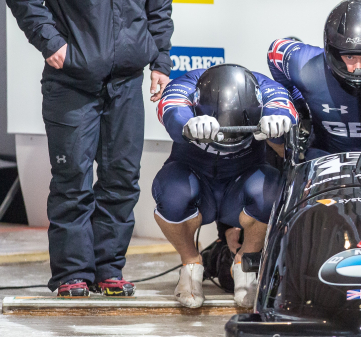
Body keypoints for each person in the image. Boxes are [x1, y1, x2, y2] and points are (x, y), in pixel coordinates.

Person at [6, 0, 173, 297]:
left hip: (127, 82)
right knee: (73, 180)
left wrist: (160, 57)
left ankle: (109, 270)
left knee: (121, 179)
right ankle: (72, 273)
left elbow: (158, 4)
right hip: (72, 81)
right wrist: (50, 41)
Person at [152, 64, 296, 308]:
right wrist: (186, 123)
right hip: (196, 180)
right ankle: (191, 264)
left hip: (240, 184)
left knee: (272, 189)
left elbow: (284, 105)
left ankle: (245, 264)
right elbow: (170, 110)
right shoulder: (185, 85)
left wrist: (280, 122)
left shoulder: (266, 88)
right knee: (171, 190)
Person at [267, 0, 361, 161]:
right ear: (332, 50)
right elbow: (274, 52)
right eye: (349, 56)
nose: (358, 68)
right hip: (323, 155)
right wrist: (295, 102)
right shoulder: (307, 68)